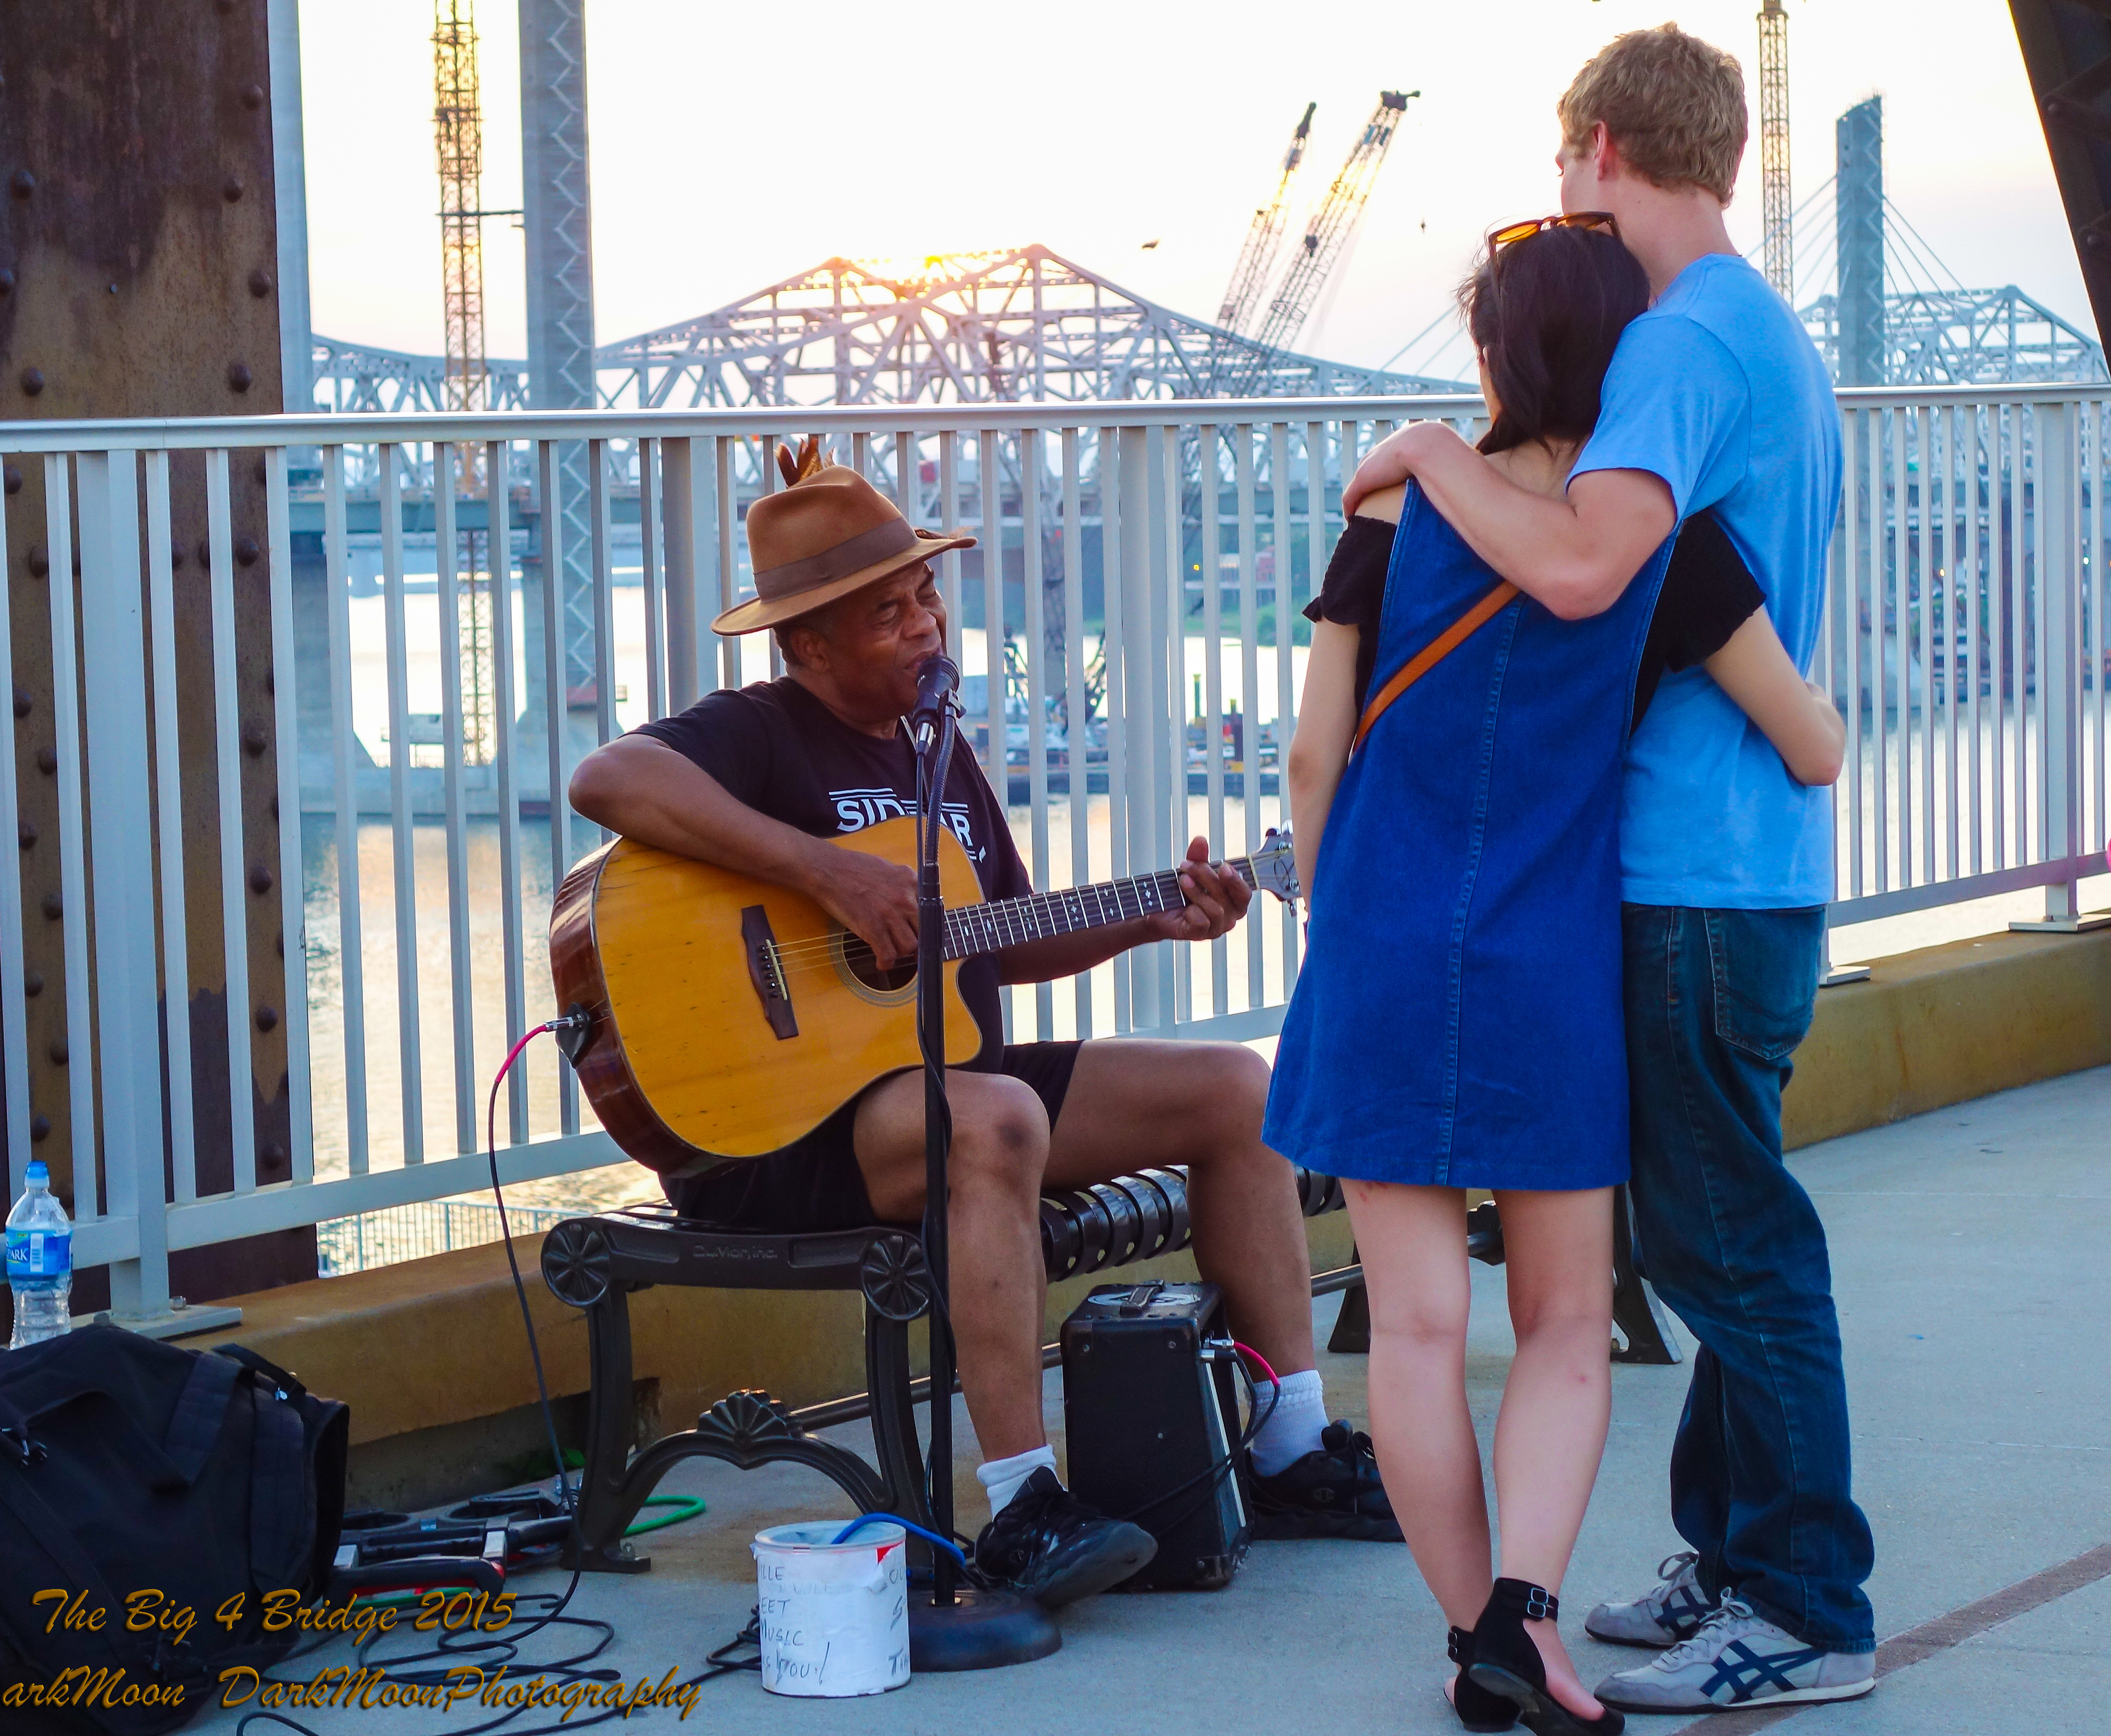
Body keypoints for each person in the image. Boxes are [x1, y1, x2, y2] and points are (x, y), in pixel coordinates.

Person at [566, 441, 1396, 1615]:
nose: (924, 627)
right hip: (774, 1133)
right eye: (885, 613)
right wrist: (823, 875)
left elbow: (995, 933)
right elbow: (606, 777)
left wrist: (1151, 919)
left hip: (938, 1094)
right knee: (995, 1113)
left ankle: (1286, 1450)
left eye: (924, 596)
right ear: (803, 645)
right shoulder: (758, 732)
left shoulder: (935, 741)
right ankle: (1019, 1503)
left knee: (1233, 1087)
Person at [1342, 24, 1879, 1718]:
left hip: (1687, 870)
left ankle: (1802, 1606)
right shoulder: (1758, 335)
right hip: (1750, 856)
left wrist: (1429, 457)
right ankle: (1728, 1557)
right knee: (1713, 1237)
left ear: (1594, 150)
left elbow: (1583, 574)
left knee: (1734, 1258)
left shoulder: (1670, 351)